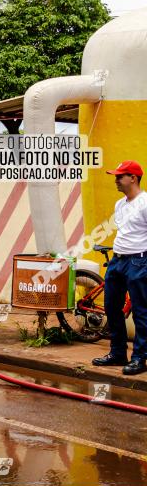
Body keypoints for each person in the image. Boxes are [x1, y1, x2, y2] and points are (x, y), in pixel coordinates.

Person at [92, 161, 147, 376]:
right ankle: (117, 353)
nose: (116, 180)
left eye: (120, 176)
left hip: (139, 262)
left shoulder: (145, 203)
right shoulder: (120, 204)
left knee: (141, 312)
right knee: (111, 307)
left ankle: (140, 358)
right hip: (118, 261)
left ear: (133, 178)